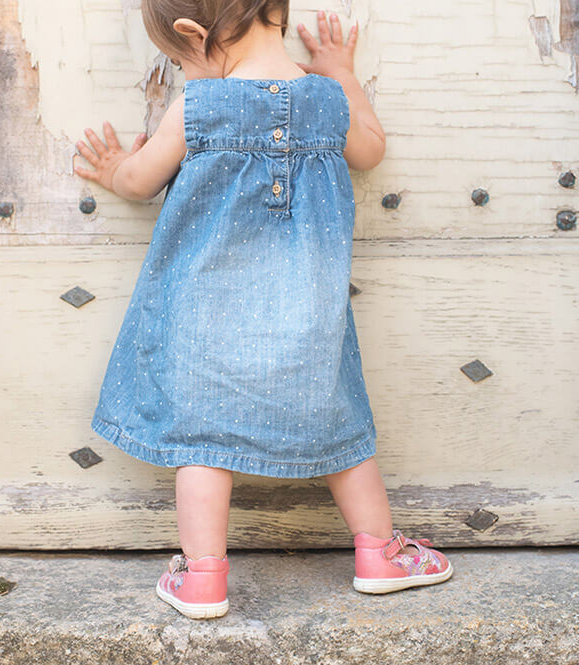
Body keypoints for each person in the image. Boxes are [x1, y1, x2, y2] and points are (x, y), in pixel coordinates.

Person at [73, 0, 453, 620]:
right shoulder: (329, 101)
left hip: (201, 320)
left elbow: (141, 180)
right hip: (307, 318)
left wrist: (116, 167)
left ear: (193, 36)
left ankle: (202, 579)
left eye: (176, 56)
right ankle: (380, 554)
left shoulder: (195, 109)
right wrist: (342, 69)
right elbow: (372, 150)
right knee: (340, 425)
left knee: (203, 439)